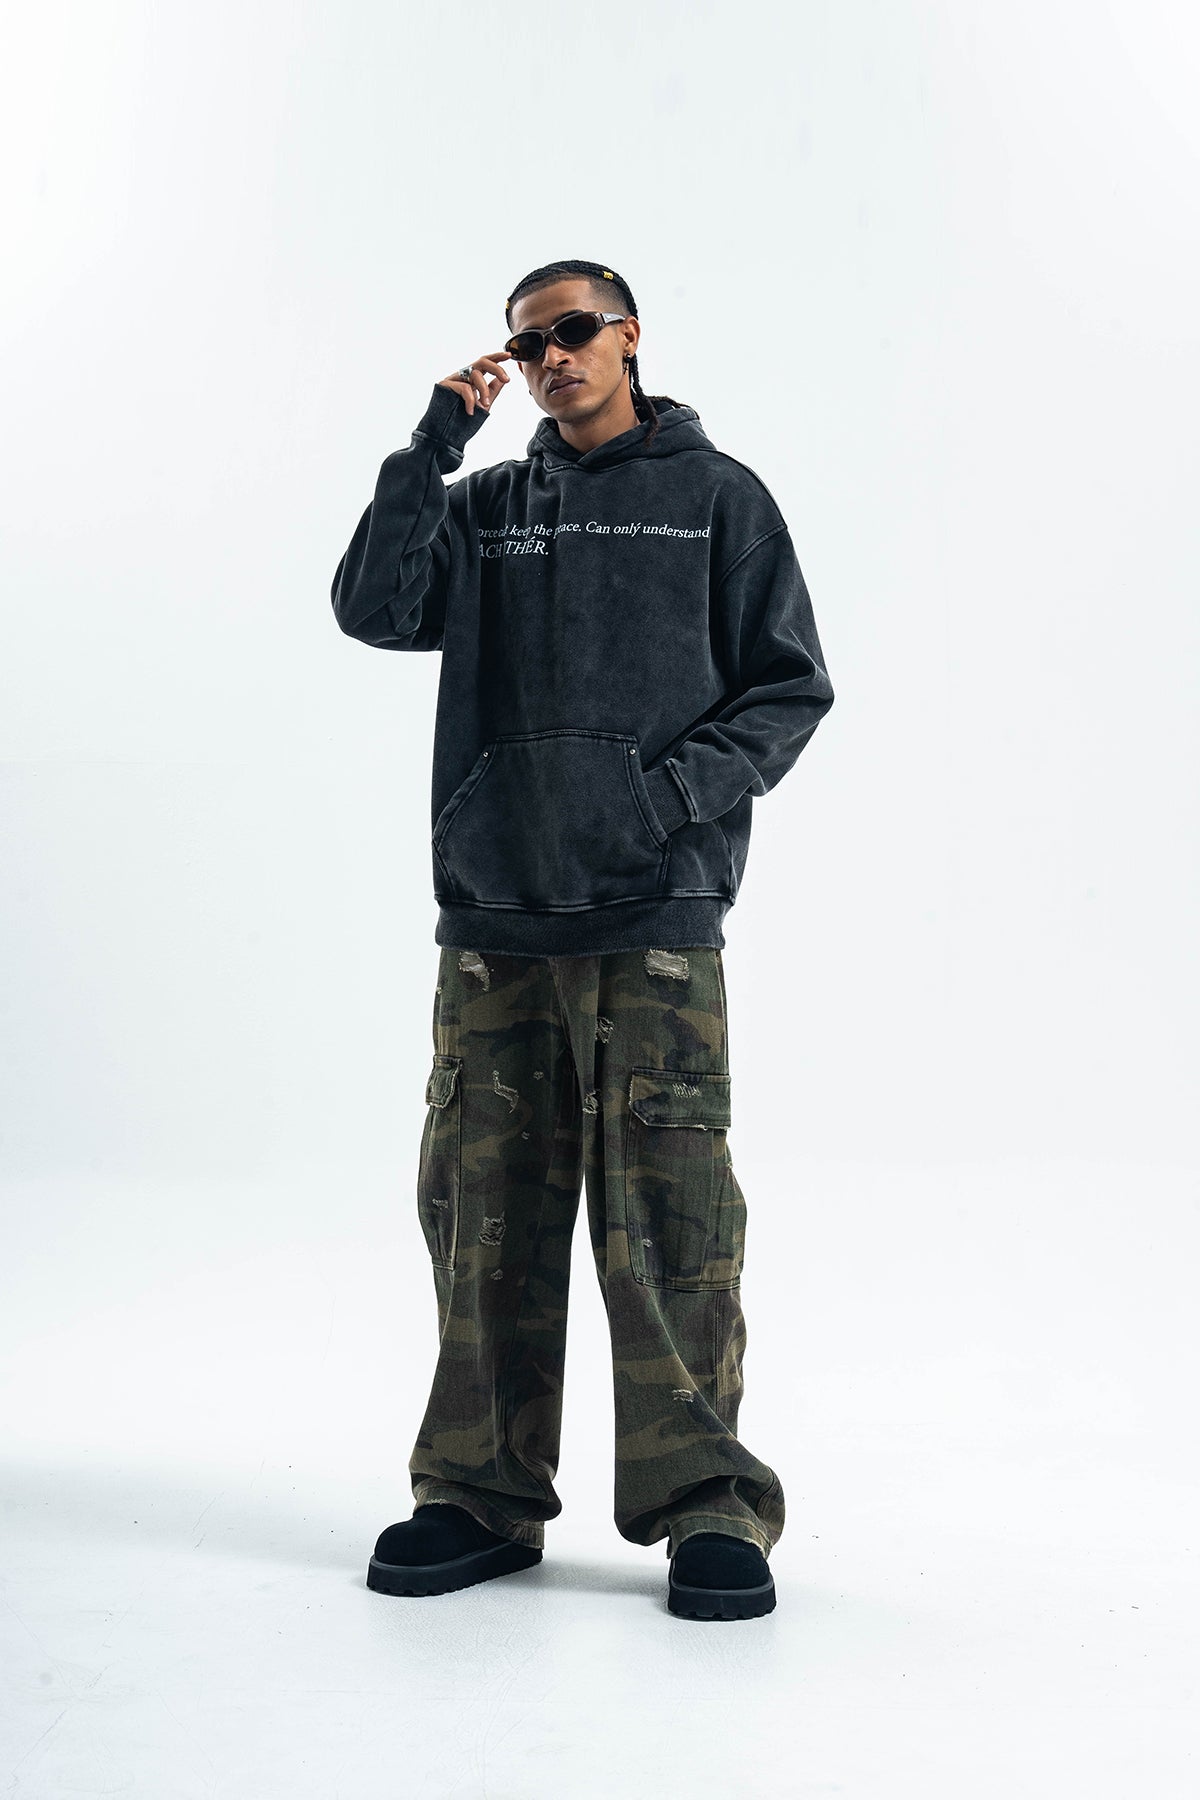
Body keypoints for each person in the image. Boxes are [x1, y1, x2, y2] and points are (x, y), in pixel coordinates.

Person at [330, 259, 834, 1620]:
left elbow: (791, 687)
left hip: (653, 918)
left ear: (629, 337)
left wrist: (665, 800)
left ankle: (709, 1502)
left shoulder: (719, 500)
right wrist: (432, 444)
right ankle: (477, 1494)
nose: (552, 357)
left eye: (572, 331)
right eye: (528, 342)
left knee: (671, 1215)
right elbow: (374, 605)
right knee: (481, 1213)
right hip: (497, 917)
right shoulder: (485, 508)